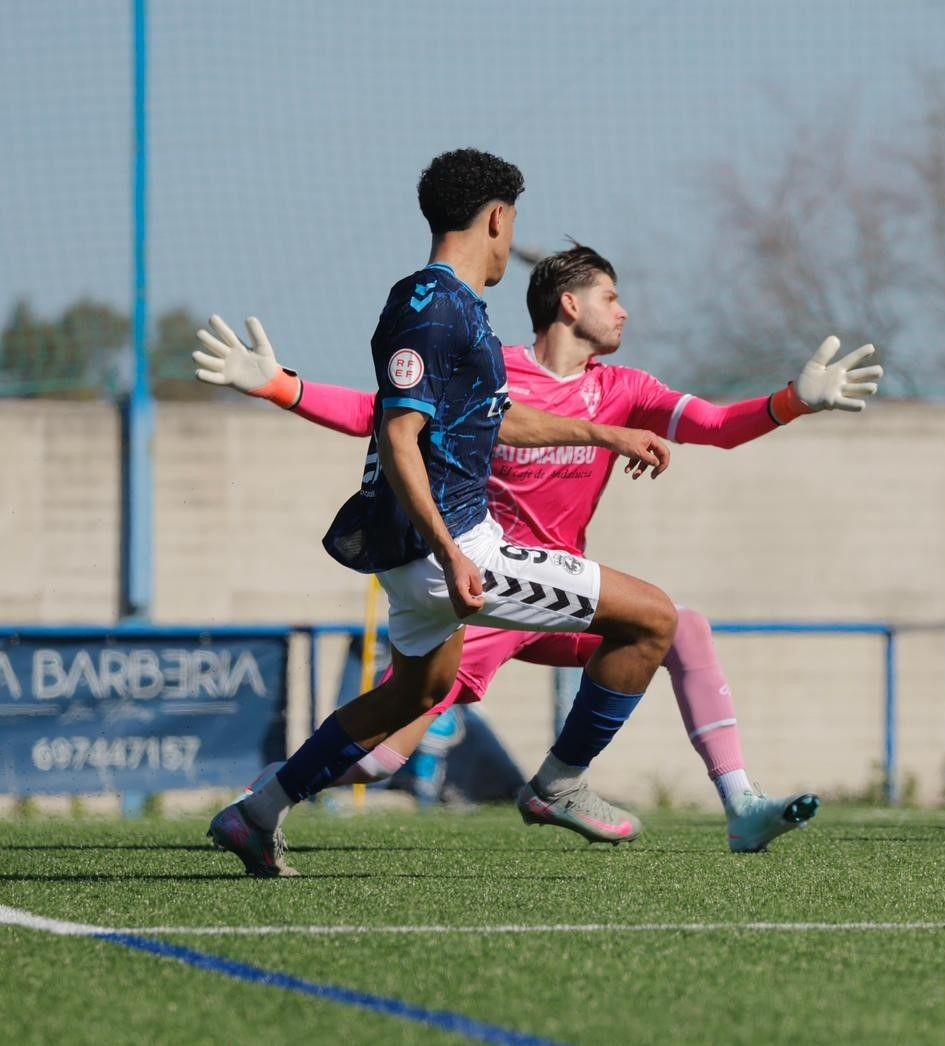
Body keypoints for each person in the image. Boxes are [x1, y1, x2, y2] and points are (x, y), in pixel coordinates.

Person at [196, 241, 884, 853]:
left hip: (552, 597)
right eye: (611, 296)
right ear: (568, 303)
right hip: (476, 584)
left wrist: (793, 400)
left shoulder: (625, 389)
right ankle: (263, 799)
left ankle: (738, 806)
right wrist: (281, 386)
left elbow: (716, 426)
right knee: (380, 760)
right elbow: (378, 415)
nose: (624, 312)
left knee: (677, 625)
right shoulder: (493, 369)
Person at [206, 149, 683, 877]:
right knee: (653, 617)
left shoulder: (454, 307)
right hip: (452, 549)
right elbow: (398, 440)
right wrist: (455, 554)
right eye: (511, 223)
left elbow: (493, 423)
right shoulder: (431, 309)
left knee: (419, 691)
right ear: (497, 219)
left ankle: (260, 811)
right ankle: (558, 783)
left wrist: (604, 432)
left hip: (434, 552)